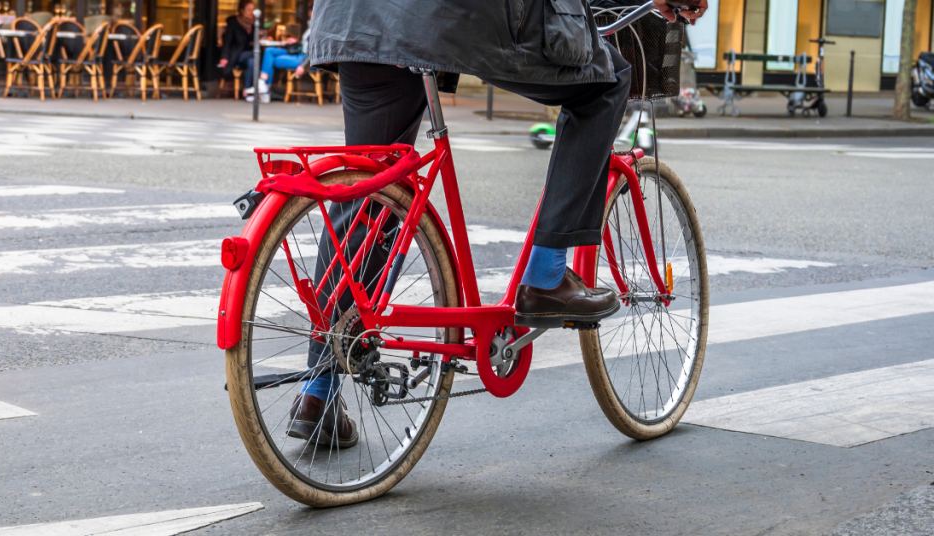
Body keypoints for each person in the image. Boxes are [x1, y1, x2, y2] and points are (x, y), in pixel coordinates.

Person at [287, 0, 707, 448]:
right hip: (447, 13)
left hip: (355, 17)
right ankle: (546, 277)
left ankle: (319, 389)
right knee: (608, 81)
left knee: (372, 191)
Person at [243, 26, 310, 103]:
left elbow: (314, 51)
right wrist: (296, 41)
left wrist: (303, 65)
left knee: (271, 59)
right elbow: (305, 44)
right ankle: (263, 89)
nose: (309, 13)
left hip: (303, 58)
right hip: (298, 53)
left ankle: (264, 89)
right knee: (269, 51)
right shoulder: (311, 26)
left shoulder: (318, 27)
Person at [217, 0, 257, 91]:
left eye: (253, 10)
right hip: (236, 54)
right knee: (259, 53)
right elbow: (227, 41)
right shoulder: (233, 24)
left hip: (249, 53)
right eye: (249, 10)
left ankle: (246, 90)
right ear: (242, 11)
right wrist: (224, 57)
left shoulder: (254, 23)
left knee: (252, 62)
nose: (251, 13)